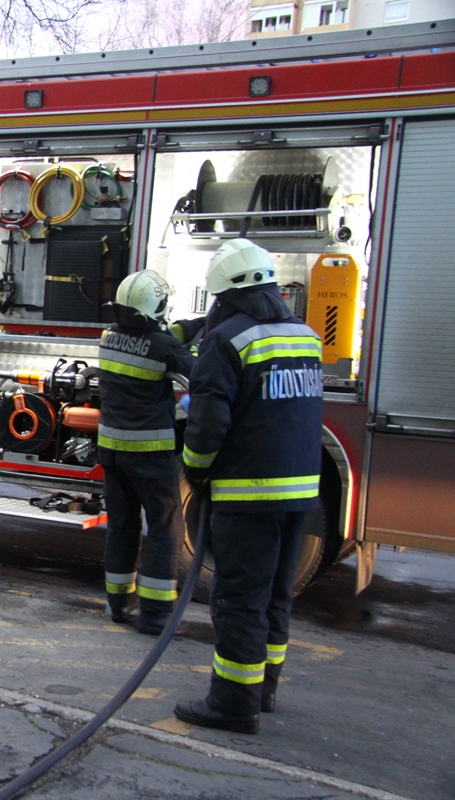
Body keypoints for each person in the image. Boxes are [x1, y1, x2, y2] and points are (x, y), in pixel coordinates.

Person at [173, 238, 324, 735]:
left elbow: (209, 422)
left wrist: (195, 469)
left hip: (247, 494)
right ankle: (265, 689)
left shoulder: (227, 340)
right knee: (277, 595)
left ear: (222, 293)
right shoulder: (302, 335)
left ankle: (233, 705)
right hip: (299, 493)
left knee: (239, 600)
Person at [98, 270, 202, 635]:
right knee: (163, 529)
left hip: (112, 452)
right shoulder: (163, 348)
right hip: (150, 454)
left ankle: (118, 604)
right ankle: (156, 614)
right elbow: (198, 372)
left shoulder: (109, 337)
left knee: (122, 528)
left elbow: (156, 339)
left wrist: (196, 324)